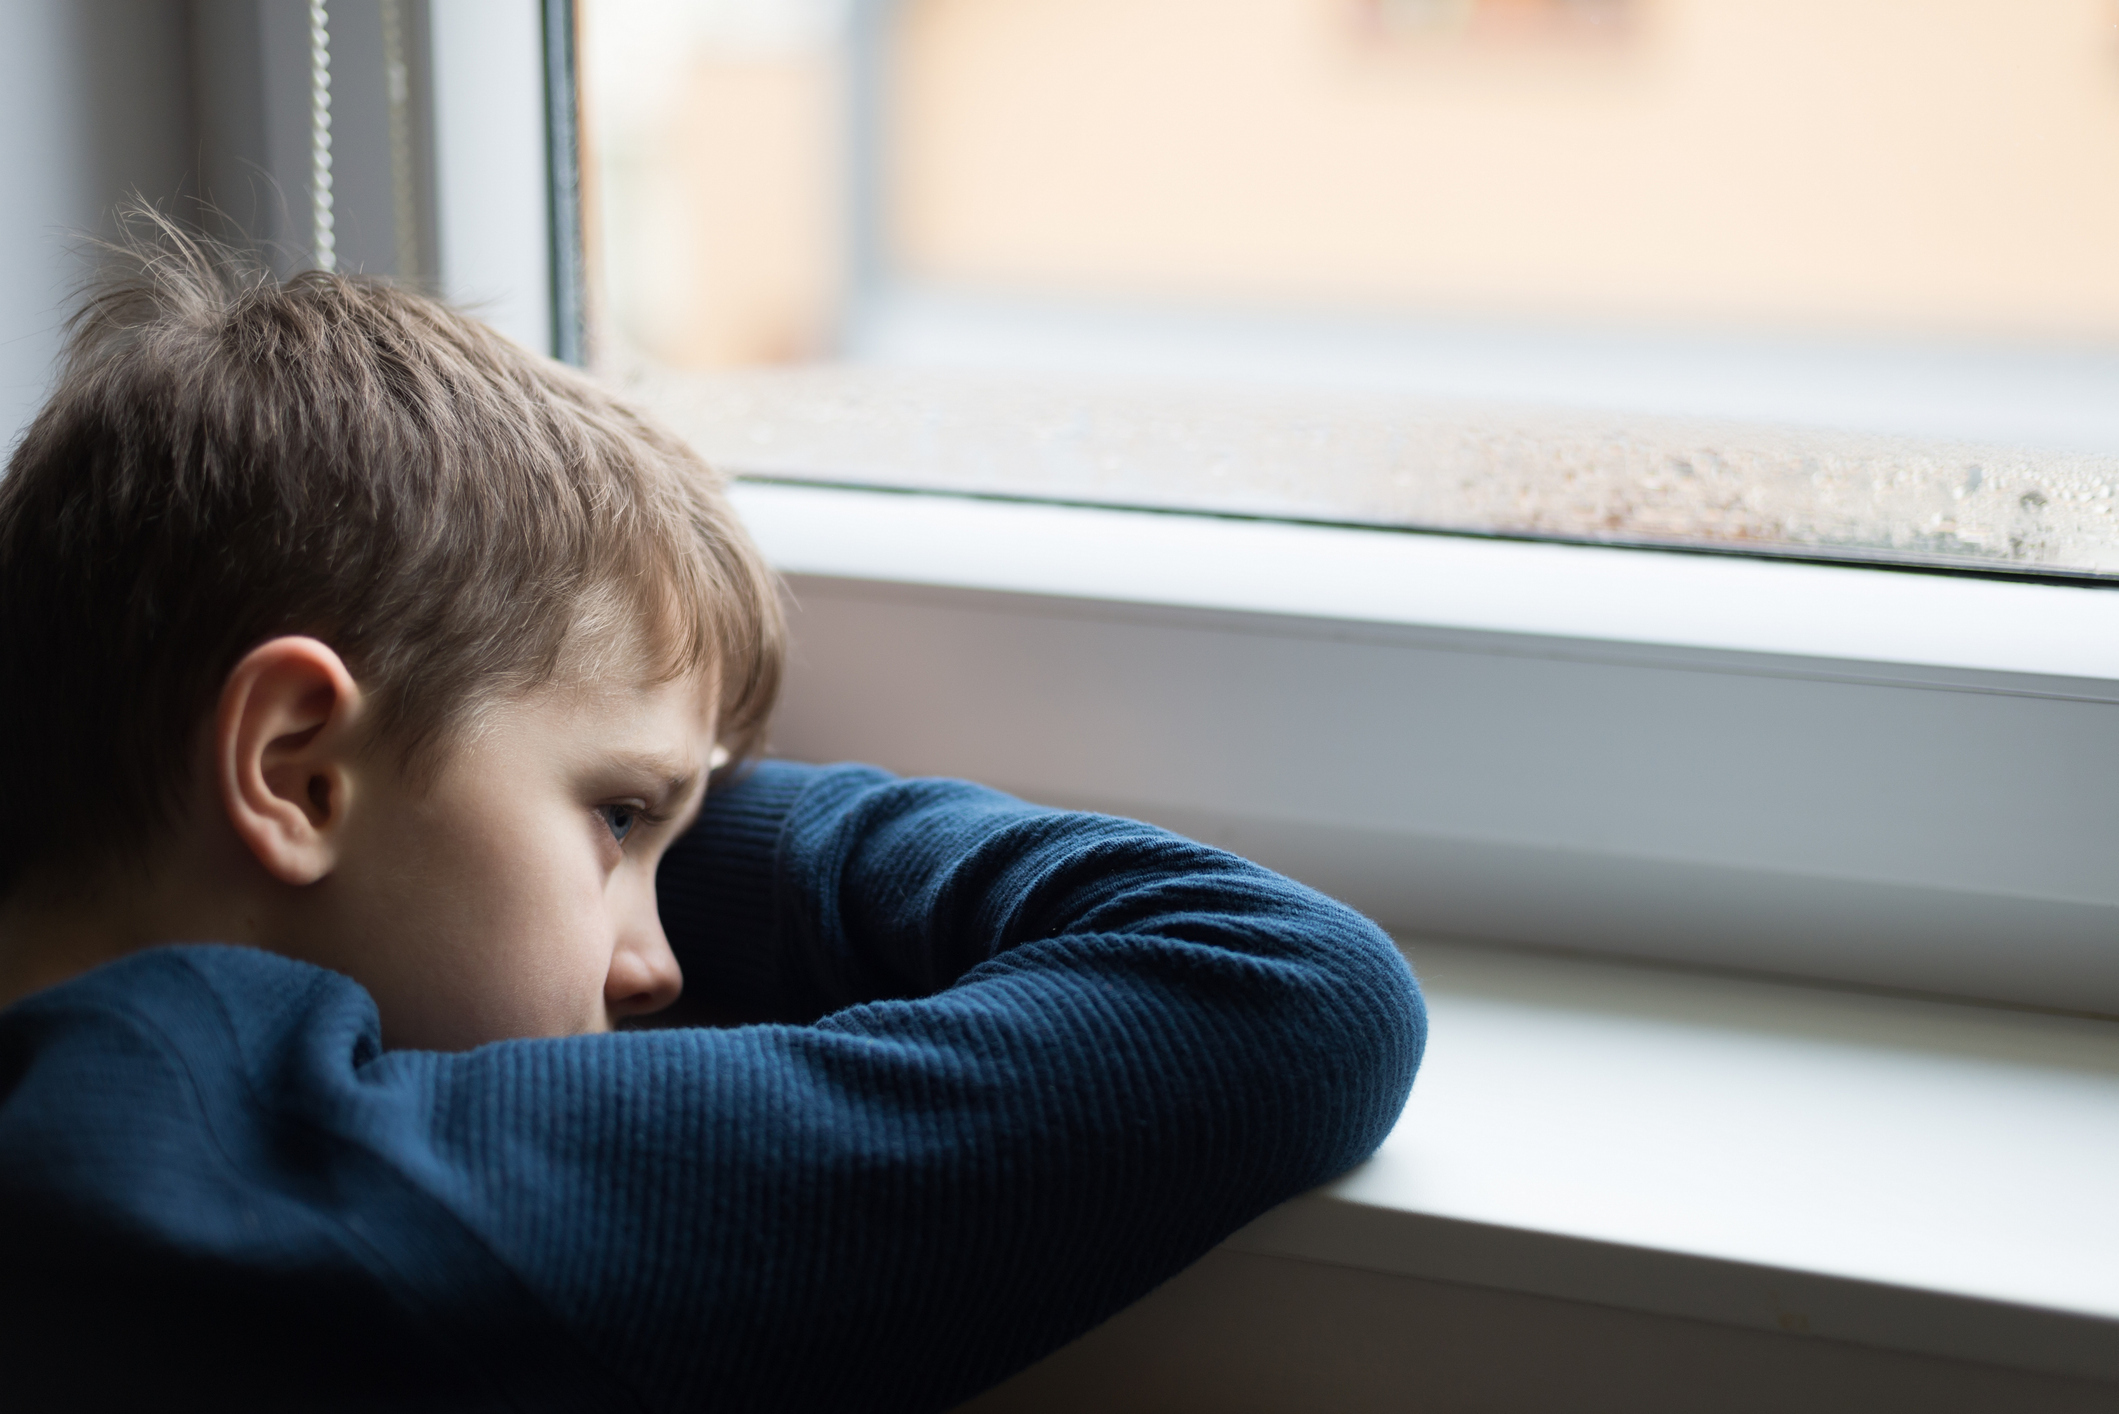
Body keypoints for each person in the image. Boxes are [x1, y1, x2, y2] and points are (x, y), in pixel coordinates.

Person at [0, 218, 1425, 1412]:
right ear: (300, 770)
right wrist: (726, 818)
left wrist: (650, 797)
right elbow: (1288, 985)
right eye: (617, 819)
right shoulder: (286, 1202)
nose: (657, 964)